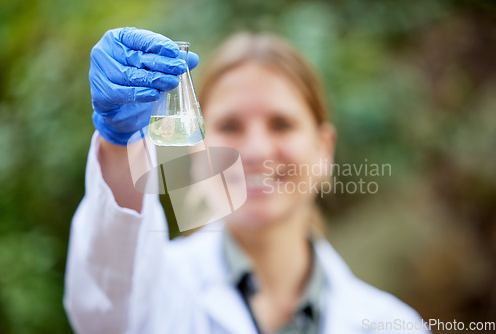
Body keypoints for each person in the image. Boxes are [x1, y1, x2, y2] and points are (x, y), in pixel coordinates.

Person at [64, 27, 429, 334]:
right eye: (230, 126)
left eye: (282, 124)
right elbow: (103, 302)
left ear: (324, 149)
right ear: (196, 150)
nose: (255, 151)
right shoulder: (153, 293)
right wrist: (119, 143)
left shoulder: (392, 323)